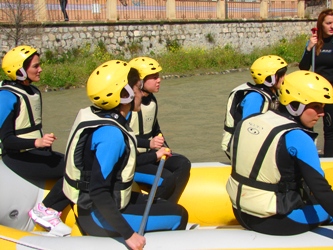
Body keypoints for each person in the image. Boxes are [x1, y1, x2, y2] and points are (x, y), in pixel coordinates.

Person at [62, 60, 188, 250]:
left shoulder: (99, 116)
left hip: (104, 206)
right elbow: (98, 191)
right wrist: (129, 235)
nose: (141, 93)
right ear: (125, 94)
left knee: (160, 203)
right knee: (179, 215)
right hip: (97, 217)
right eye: (138, 88)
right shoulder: (111, 135)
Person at [226, 70, 333, 235]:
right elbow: (321, 190)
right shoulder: (299, 137)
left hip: (240, 212)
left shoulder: (251, 120)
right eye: (316, 106)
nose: (322, 113)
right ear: (295, 105)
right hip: (276, 221)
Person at [0, 45, 71, 236]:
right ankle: (45, 210)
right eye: (35, 66)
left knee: (77, 162)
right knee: (74, 169)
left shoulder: (31, 91)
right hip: (17, 157)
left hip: (35, 152)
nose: (40, 69)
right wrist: (36, 143)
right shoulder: (6, 97)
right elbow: (7, 142)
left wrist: (41, 143)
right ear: (20, 70)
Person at [127, 57, 191, 203]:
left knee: (183, 163)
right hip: (134, 161)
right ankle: (155, 210)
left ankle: (169, 206)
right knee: (166, 178)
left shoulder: (152, 100)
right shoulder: (128, 105)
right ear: (141, 81)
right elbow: (122, 137)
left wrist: (165, 147)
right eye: (154, 77)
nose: (159, 80)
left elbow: (155, 129)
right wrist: (148, 144)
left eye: (159, 76)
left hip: (150, 155)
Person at [221, 55, 288, 159]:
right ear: (270, 78)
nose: (285, 77)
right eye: (282, 74)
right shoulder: (255, 98)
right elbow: (250, 131)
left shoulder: (270, 94)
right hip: (246, 150)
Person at [299, 9, 333, 157]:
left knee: (330, 126)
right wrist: (308, 49)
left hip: (331, 92)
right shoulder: (314, 42)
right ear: (321, 25)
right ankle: (308, 155)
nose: (332, 26)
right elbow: (303, 67)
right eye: (329, 23)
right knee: (307, 125)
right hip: (315, 91)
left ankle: (330, 158)